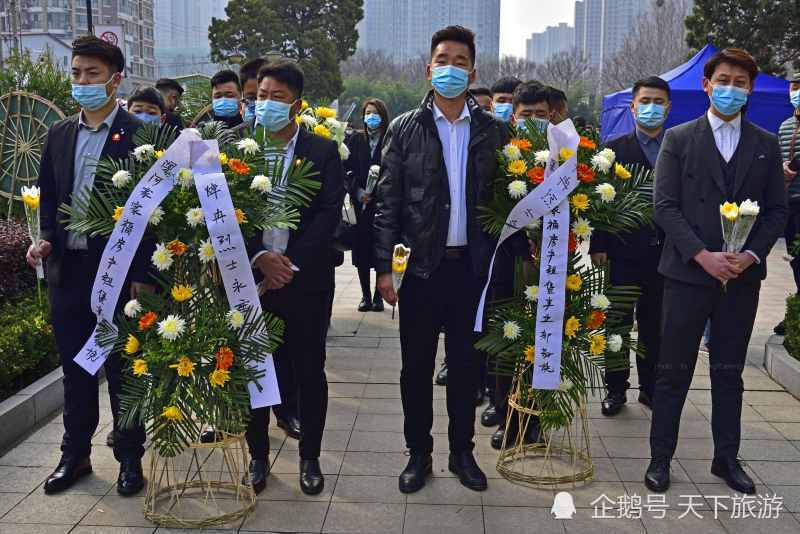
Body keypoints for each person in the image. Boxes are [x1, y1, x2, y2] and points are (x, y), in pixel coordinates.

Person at [646, 48, 787, 494]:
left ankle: (726, 459)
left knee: (729, 372)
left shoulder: (764, 144)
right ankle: (660, 459)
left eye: (740, 82)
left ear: (750, 90)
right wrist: (702, 255)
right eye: (723, 79)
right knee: (672, 371)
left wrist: (751, 256)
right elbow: (664, 206)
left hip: (740, 280)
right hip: (688, 275)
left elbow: (776, 213)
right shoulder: (680, 138)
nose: (731, 89)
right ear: (707, 85)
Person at [374, 25, 506, 493]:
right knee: (416, 367)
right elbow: (388, 203)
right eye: (442, 60)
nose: (450, 68)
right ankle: (419, 453)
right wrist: (387, 270)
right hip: (421, 269)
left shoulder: (494, 132)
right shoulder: (404, 128)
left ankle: (462, 452)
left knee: (467, 368)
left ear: (473, 71)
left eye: (459, 61)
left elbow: (504, 201)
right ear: (428, 69)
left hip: (471, 270)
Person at [26, 35, 151, 496]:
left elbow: (152, 214)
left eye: (92, 74)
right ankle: (74, 454)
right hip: (68, 272)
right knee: (76, 368)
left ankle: (130, 456)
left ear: (116, 79)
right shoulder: (59, 134)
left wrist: (142, 273)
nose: (82, 82)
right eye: (76, 73)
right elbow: (51, 200)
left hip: (119, 276)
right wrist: (44, 241)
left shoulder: (141, 136)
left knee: (123, 366)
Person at [244, 60, 345, 495]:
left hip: (306, 281)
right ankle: (258, 457)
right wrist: (259, 257)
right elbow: (226, 214)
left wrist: (288, 264)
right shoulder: (239, 149)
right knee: (255, 367)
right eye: (261, 96)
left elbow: (328, 215)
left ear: (297, 105)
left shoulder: (322, 151)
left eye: (277, 97)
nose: (266, 104)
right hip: (250, 280)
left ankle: (310, 458)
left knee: (309, 370)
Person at [590, 76, 671, 416]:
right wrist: (598, 243)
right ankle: (615, 389)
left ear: (668, 108)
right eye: (645, 101)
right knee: (617, 322)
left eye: (659, 101)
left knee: (656, 323)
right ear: (633, 107)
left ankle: (651, 388)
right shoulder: (614, 149)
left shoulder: (677, 146)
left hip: (666, 252)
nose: (651, 107)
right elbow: (600, 202)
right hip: (623, 252)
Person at [343, 98, 390, 312]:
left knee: (380, 249)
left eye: (375, 113)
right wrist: (358, 191)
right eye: (368, 113)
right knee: (361, 252)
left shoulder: (390, 139)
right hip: (361, 205)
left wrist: (380, 193)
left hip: (382, 206)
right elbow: (347, 169)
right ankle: (365, 295)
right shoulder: (355, 140)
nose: (371, 117)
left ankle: (379, 296)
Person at [774, 74, 800, 335]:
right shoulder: (784, 127)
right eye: (795, 86)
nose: (798, 91)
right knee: (795, 259)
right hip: (789, 201)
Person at [239, 57, 268, 127]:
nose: (258, 103)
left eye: (264, 97)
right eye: (252, 98)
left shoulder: (294, 136)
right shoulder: (232, 136)